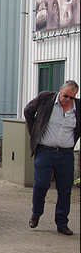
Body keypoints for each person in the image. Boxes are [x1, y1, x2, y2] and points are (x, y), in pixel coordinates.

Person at [24, 80, 80, 235]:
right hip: (45, 152)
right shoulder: (45, 98)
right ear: (60, 90)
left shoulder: (77, 107)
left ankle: (62, 223)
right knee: (41, 185)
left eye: (71, 97)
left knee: (65, 189)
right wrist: (34, 132)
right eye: (65, 95)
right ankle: (36, 214)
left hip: (66, 154)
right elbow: (28, 111)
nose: (67, 99)